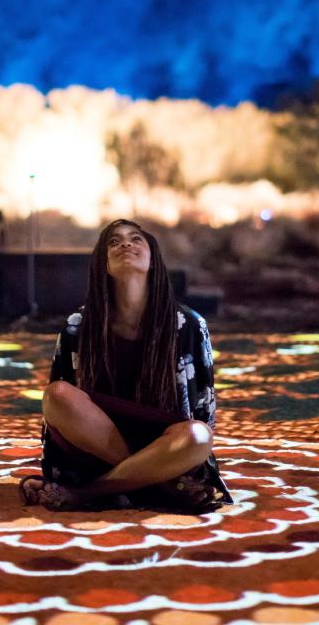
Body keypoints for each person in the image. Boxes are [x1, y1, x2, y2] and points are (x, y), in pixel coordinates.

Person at [19, 219, 233, 513]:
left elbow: (202, 410)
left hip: (165, 441)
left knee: (198, 437)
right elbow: (62, 410)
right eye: (114, 242)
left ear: (153, 261)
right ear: (103, 265)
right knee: (56, 395)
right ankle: (163, 485)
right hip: (95, 442)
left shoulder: (189, 324)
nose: (125, 244)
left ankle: (86, 494)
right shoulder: (79, 325)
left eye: (136, 239)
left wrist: (190, 454)